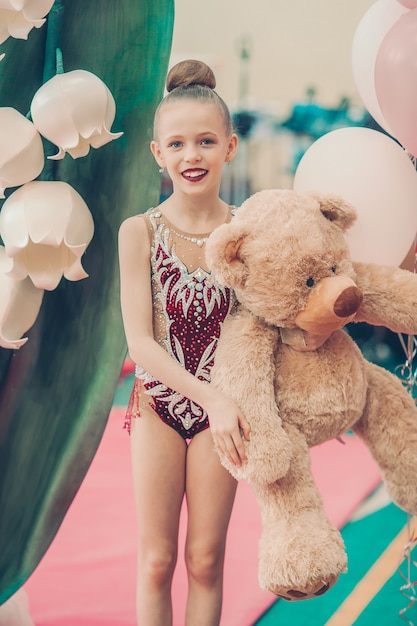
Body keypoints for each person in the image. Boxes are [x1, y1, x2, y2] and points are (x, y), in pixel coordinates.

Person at [118, 59, 330, 626]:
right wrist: (210, 399)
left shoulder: (249, 232)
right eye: (178, 143)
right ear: (157, 153)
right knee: (157, 560)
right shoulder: (139, 232)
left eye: (206, 141)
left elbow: (279, 318)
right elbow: (140, 342)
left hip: (231, 419)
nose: (193, 155)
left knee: (206, 559)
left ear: (230, 147)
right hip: (163, 406)